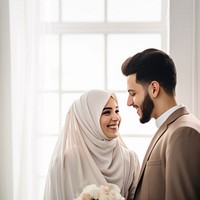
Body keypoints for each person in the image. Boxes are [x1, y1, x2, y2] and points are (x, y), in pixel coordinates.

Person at [121, 48, 200, 200]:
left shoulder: (182, 133)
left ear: (154, 89)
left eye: (133, 93)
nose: (129, 102)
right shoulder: (174, 128)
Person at [43, 89, 140, 200]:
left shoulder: (130, 159)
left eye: (117, 111)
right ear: (88, 119)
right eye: (106, 112)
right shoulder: (64, 163)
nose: (116, 118)